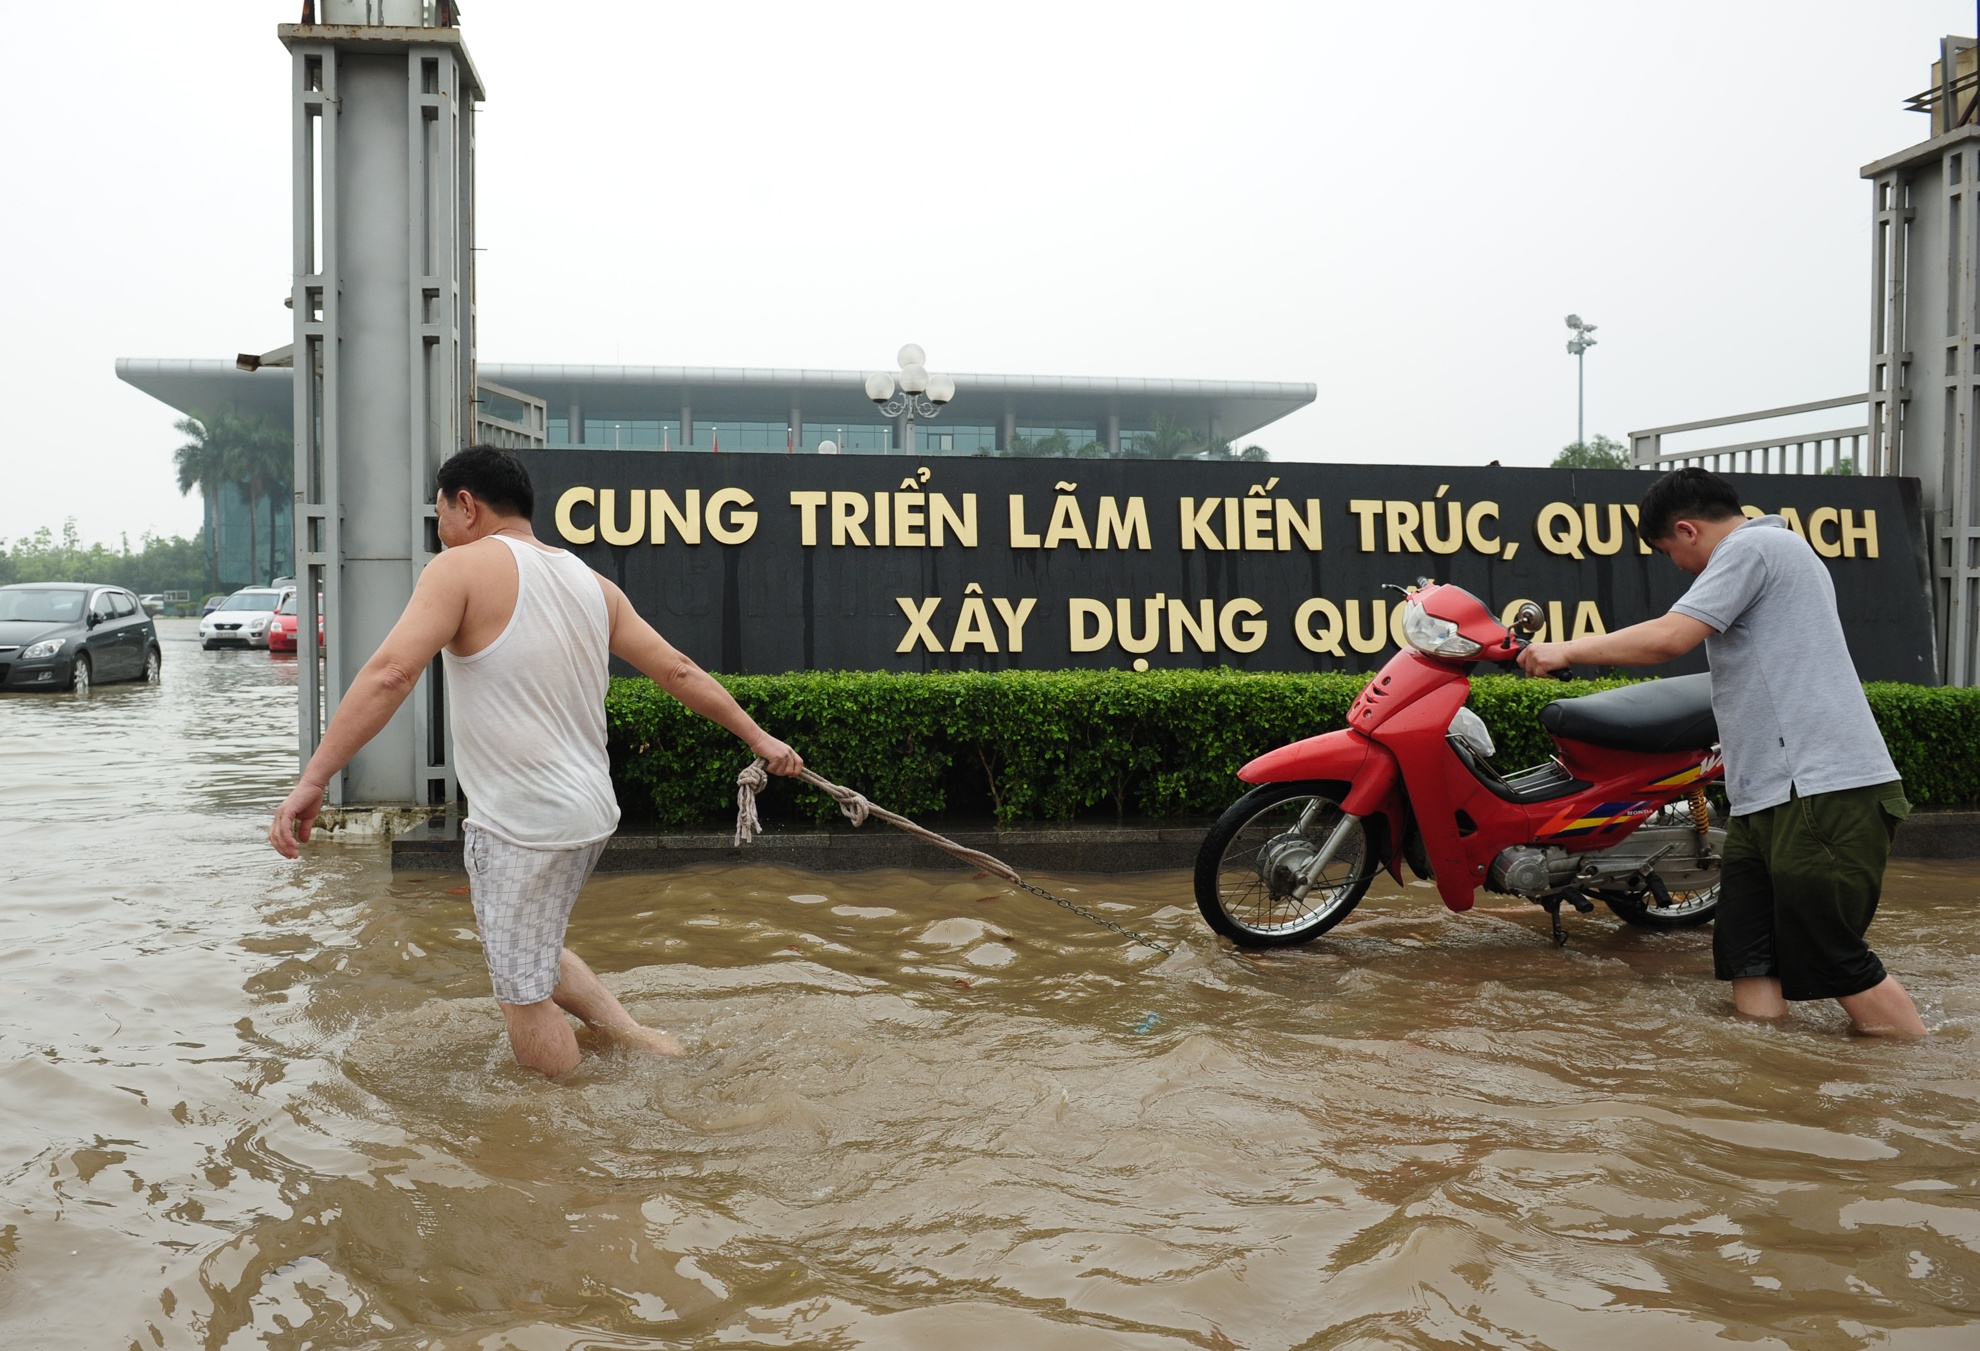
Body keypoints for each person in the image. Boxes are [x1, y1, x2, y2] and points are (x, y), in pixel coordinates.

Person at [268, 445, 804, 1076]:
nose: (439, 531)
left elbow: (390, 674)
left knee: (522, 998)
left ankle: (561, 1135)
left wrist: (314, 778)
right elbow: (678, 670)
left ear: (465, 505)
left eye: (438, 514)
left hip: (521, 826)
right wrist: (758, 737)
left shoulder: (460, 568)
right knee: (534, 952)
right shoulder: (591, 583)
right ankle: (639, 1040)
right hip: (590, 813)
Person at [1518, 467, 1925, 1038]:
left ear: (1687, 530)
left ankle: (1908, 1082)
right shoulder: (1776, 550)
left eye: (1667, 552)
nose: (1678, 567)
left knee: (1834, 959)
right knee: (1747, 955)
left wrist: (1563, 651)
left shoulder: (1753, 547)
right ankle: (1764, 1080)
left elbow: (1669, 638)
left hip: (1821, 790)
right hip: (1769, 796)